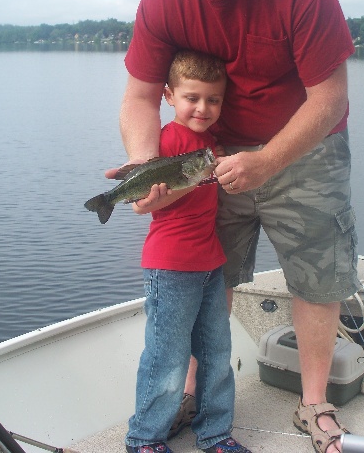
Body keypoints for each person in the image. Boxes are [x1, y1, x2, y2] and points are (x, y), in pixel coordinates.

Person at [117, 0, 361, 453]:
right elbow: (140, 98)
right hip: (211, 159)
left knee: (317, 276)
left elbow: (330, 99)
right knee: (208, 273)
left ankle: (313, 402)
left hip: (305, 148)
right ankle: (194, 394)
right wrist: (152, 172)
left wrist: (270, 161)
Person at [124, 50, 252, 453]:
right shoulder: (165, 141)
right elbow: (143, 204)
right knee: (168, 356)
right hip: (171, 266)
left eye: (213, 100)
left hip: (211, 263)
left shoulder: (209, 145)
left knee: (216, 351)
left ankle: (214, 433)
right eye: (192, 97)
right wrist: (151, 194)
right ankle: (144, 439)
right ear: (169, 96)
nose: (203, 107)